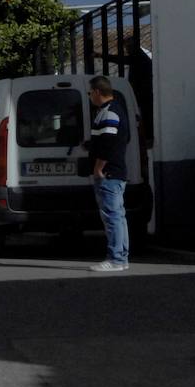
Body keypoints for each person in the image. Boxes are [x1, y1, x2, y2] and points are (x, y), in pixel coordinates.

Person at [85, 75, 130, 272]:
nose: (89, 97)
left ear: (96, 92)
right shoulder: (115, 110)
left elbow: (109, 143)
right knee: (118, 216)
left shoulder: (109, 112)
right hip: (116, 172)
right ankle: (122, 257)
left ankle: (116, 259)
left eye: (89, 93)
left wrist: (99, 168)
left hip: (109, 173)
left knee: (112, 217)